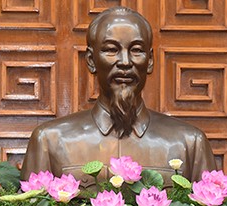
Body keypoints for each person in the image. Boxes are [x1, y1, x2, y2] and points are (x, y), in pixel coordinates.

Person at [22, 6, 216, 188]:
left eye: (136, 50)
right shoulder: (50, 141)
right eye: (111, 49)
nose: (125, 62)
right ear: (91, 60)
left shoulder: (189, 143)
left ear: (150, 61)